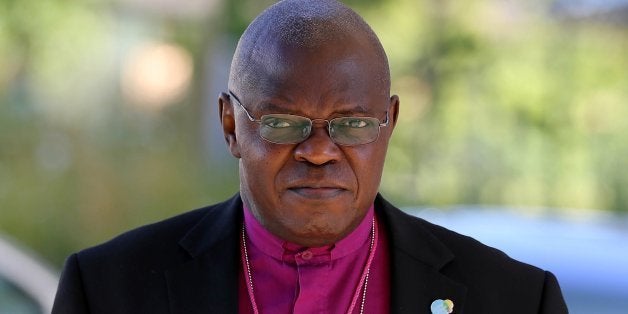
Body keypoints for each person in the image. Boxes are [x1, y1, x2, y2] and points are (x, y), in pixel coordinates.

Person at [52, 0, 568, 313]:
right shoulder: (109, 292)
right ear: (231, 126)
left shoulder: (515, 301)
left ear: (389, 124)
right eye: (282, 124)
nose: (320, 151)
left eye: (353, 125)